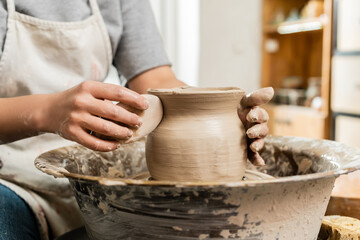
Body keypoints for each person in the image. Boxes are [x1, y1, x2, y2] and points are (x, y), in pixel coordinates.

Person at [0, 0, 273, 239]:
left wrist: (225, 115)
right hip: (10, 178)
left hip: (88, 176)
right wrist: (46, 111)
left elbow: (157, 81)